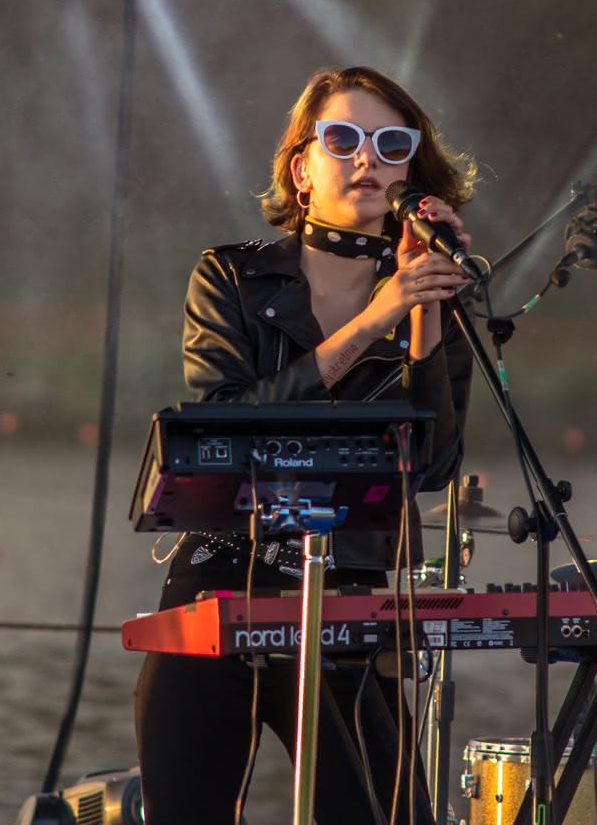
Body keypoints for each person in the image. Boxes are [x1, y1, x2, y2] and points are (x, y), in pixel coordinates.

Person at [134, 66, 477, 824]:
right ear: (303, 167)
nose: (368, 159)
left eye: (392, 144)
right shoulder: (231, 275)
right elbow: (223, 424)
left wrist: (421, 314)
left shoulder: (433, 295)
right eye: (344, 138)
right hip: (224, 577)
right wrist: (372, 322)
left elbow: (435, 467)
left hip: (353, 596)